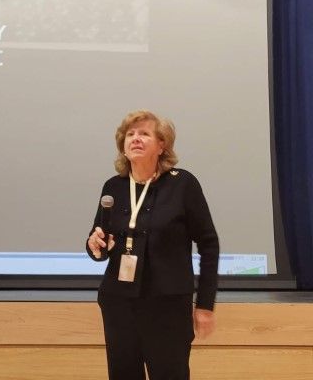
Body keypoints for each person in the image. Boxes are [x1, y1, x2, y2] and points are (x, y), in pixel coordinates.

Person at [86, 110, 220, 380]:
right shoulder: (114, 187)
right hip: (119, 304)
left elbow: (209, 244)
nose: (135, 139)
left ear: (161, 145)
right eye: (130, 134)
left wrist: (205, 305)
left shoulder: (183, 184)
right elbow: (100, 245)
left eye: (144, 134)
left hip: (168, 306)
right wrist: (94, 245)